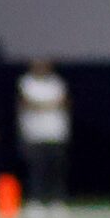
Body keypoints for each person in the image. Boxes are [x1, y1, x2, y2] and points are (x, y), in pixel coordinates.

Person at [16, 59, 69, 207]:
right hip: (34, 133)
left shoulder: (56, 82)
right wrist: (48, 104)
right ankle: (36, 201)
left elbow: (63, 100)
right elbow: (27, 102)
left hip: (55, 133)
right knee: (36, 169)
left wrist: (42, 104)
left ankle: (57, 201)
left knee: (56, 169)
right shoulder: (26, 82)